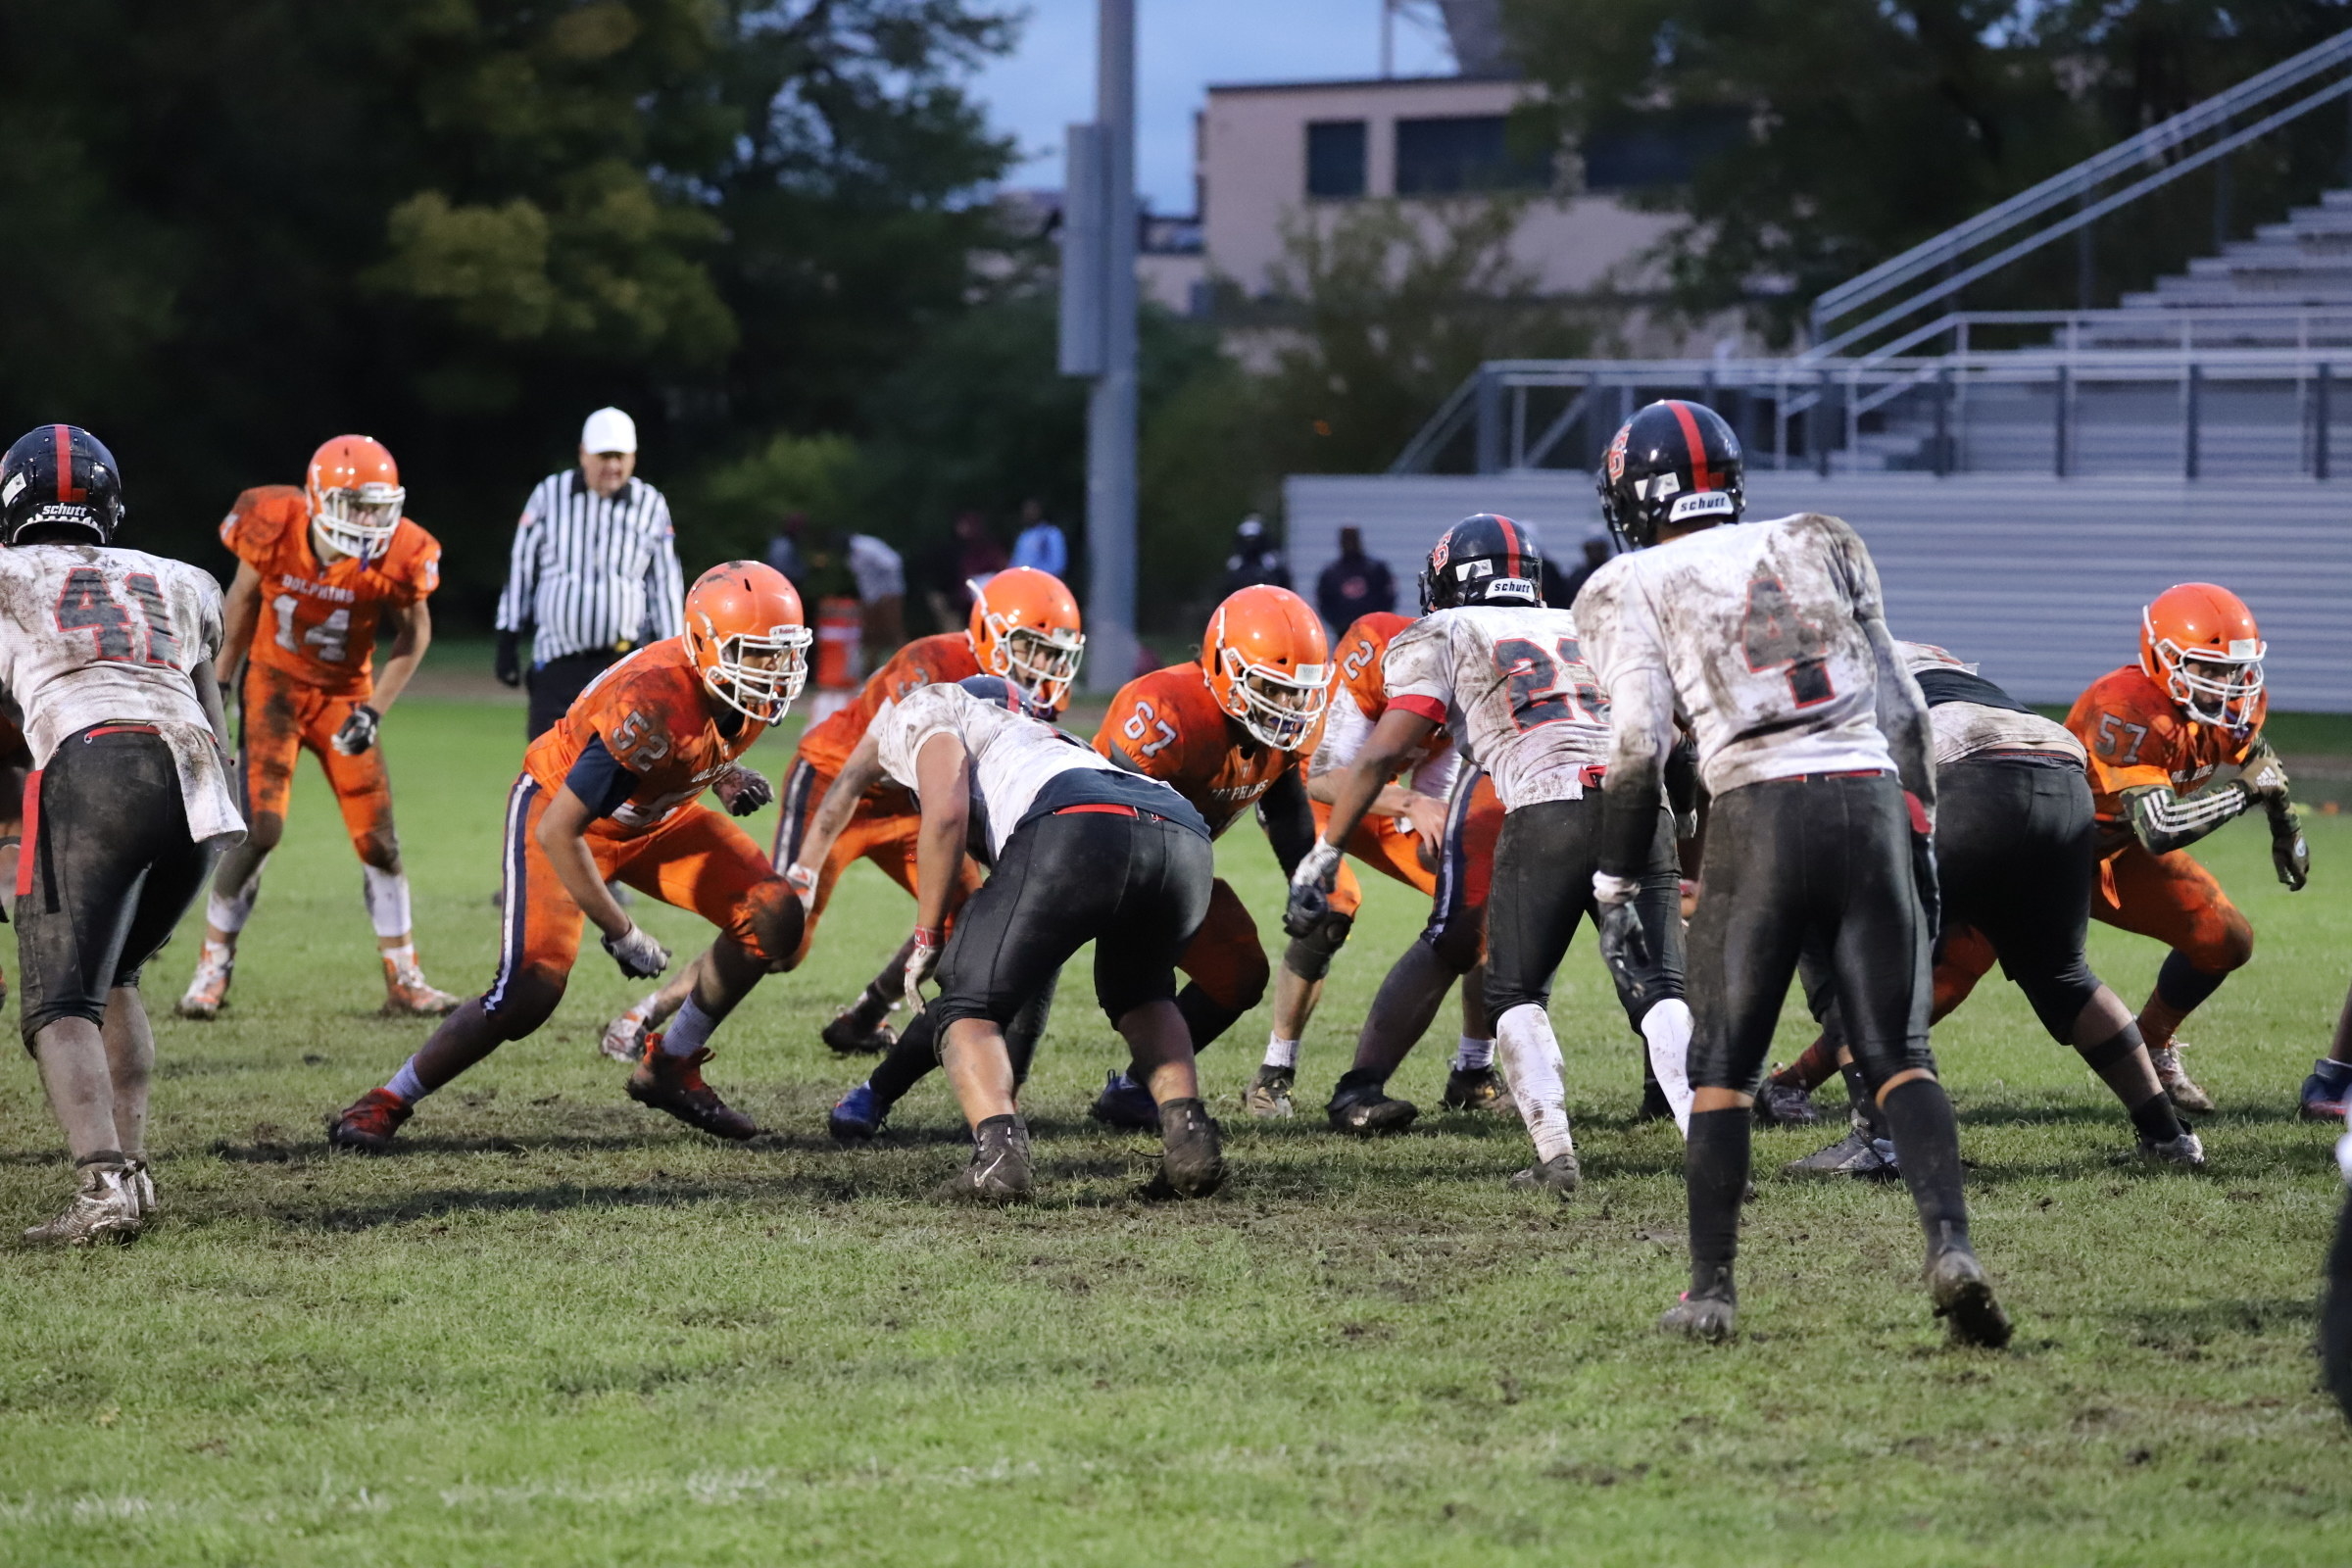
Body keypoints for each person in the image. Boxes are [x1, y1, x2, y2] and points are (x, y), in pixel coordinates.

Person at [1576, 397, 2008, 1348]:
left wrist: (1612, 883)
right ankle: (1951, 1248)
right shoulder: (1822, 537)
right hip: (1868, 797)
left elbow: (1640, 747)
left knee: (1722, 1067)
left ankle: (1713, 1290)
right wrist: (1919, 834)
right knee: (1899, 1052)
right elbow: (1900, 707)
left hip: (1759, 810)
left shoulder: (1628, 580)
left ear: (1635, 500)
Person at [326, 564, 810, 1152]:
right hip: (561, 812)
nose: (777, 672)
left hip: (656, 816)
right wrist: (622, 930)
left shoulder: (734, 688)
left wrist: (724, 774)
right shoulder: (654, 700)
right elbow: (563, 830)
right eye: (759, 654)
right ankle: (388, 1099)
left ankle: (670, 1065)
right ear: (708, 643)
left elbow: (695, 742)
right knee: (528, 991)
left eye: (785, 654)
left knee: (773, 915)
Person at [1293, 514, 1692, 1193]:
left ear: (1445, 584)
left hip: (1545, 804)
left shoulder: (1444, 630)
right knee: (1662, 990)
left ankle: (1556, 1158)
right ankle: (1710, 1146)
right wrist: (1676, 821)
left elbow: (1385, 749)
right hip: (1635, 798)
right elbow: (1675, 728)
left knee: (1513, 992)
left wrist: (1326, 850)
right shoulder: (1584, 620)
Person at [600, 566, 1084, 1062]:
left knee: (961, 915)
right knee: (782, 940)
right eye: (1032, 647)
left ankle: (866, 1016)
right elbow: (857, 772)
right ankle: (645, 1014)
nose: (1044, 665)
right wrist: (806, 870)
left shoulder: (1023, 694)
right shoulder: (932, 662)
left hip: (917, 803)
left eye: (1056, 653)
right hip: (838, 782)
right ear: (989, 631)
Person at [1769, 641, 2204, 1174]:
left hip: (1965, 770)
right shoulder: (1917, 653)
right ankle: (2167, 1138)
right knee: (2062, 974)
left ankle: (1885, 1139)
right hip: (2059, 769)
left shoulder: (1804, 671)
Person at [793, 677, 1222, 1201]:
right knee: (1143, 994)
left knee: (968, 1005)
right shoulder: (1050, 742)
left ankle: (999, 1158)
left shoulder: (936, 708)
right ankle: (1190, 1137)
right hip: (1179, 831)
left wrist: (928, 932)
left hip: (1078, 824)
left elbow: (947, 813)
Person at [0, 425, 245, 1244]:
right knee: (119, 974)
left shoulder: (8, 576)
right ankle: (131, 1176)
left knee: (58, 999)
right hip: (202, 779)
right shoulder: (177, 577)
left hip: (98, 761)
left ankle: (101, 1189)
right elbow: (216, 719)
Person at [175, 436, 458, 1021]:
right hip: (274, 688)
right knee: (260, 831)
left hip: (345, 696)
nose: (368, 518)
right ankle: (212, 965)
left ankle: (404, 977)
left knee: (378, 840)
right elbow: (241, 602)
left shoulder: (400, 551)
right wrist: (220, 686)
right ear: (318, 496)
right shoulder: (274, 522)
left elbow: (415, 633)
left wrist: (374, 708)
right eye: (355, 503)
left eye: (378, 504)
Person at [1242, 608, 1504, 1131]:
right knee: (1331, 907)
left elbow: (1432, 792)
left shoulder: (1474, 675)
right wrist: (1409, 805)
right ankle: (1274, 1072)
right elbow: (1325, 776)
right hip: (1318, 793)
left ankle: (1473, 1072)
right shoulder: (1378, 644)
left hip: (1387, 799)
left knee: (1482, 903)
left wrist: (1438, 843)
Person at [1088, 584, 1332, 1129]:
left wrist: (1304, 878)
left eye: (1299, 692)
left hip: (1176, 872)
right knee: (1010, 989)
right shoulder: (1166, 709)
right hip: (1098, 866)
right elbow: (1105, 817)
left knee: (1240, 974)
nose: (1289, 707)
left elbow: (1287, 799)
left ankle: (1133, 1090)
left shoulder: (1276, 729)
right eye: (1273, 687)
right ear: (1225, 667)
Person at [2056, 583, 2300, 1116]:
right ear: (2163, 658)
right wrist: (2244, 795)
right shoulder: (2126, 707)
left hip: (2118, 851)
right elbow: (2161, 828)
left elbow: (2259, 760)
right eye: (2209, 669)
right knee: (1945, 979)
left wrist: (2287, 828)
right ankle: (1844, 1078)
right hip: (2042, 857)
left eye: (2234, 671)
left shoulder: (2227, 705)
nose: (2227, 684)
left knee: (2225, 938)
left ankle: (2153, 1047)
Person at [494, 407, 687, 740]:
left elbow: (665, 583)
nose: (612, 466)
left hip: (624, 664)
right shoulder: (549, 495)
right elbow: (522, 565)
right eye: (603, 456)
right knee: (548, 772)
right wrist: (508, 636)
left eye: (620, 456)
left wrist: (672, 653)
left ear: (633, 457)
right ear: (584, 454)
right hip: (558, 660)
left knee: (620, 776)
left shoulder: (649, 502)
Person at [1313, 526, 1396, 633]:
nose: (1349, 543)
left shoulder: (1374, 568)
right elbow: (1324, 602)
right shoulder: (1331, 572)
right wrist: (1339, 623)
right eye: (1346, 538)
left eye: (1352, 538)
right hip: (1344, 633)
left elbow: (1387, 597)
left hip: (1373, 631)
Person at [1221, 515, 1291, 596]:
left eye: (1253, 539)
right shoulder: (1235, 565)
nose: (1250, 544)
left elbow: (1285, 587)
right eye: (1247, 539)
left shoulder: (1271, 564)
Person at [1008, 499, 1068, 578]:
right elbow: (1015, 562)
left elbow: (1058, 564)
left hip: (1042, 581)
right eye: (1026, 510)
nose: (1029, 513)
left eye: (1033, 509)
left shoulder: (1051, 533)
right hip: (1022, 581)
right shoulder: (1024, 536)